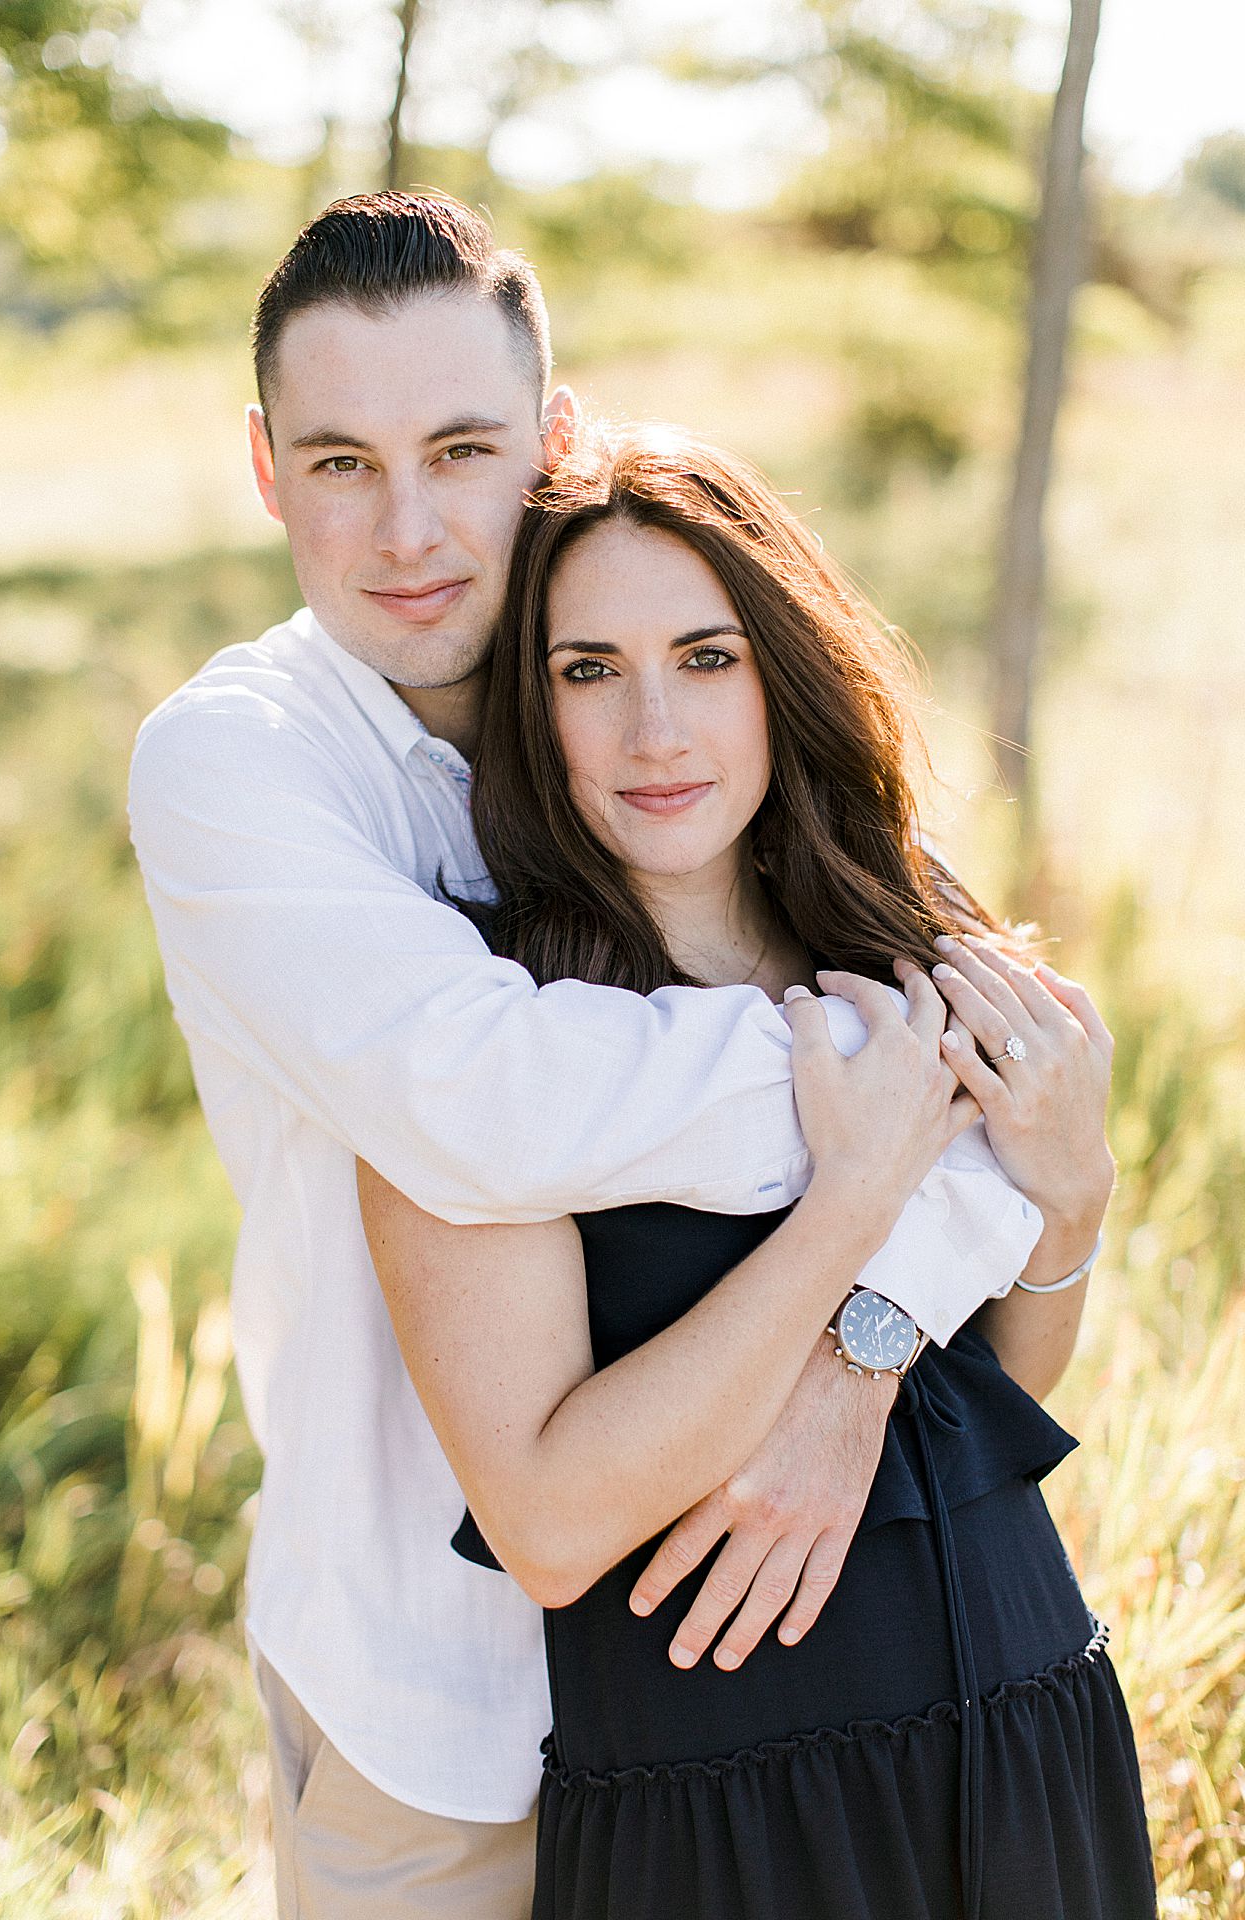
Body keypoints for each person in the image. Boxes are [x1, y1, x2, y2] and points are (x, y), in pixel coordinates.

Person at [129, 192, 1102, 1920]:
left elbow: (1025, 1077)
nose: (410, 527)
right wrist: (884, 1109)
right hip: (438, 1712)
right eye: (342, 462)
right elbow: (485, 1105)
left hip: (815, 1713)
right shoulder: (243, 764)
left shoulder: (647, 699)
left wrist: (871, 1342)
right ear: (267, 470)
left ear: (550, 443)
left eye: (461, 447)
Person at [356, 427, 1155, 1920]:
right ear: (533, 711)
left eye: (705, 657)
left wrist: (1070, 1202)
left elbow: (1005, 1402)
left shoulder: (907, 949)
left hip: (1035, 1735)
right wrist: (850, 1212)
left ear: (781, 672)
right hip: (734, 1826)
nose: (654, 727)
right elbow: (547, 1522)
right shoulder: (484, 1040)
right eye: (587, 670)